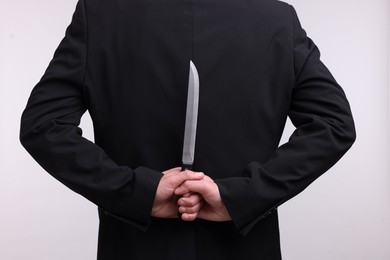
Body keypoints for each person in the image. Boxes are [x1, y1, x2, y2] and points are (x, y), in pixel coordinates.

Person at [19, 0, 356, 259]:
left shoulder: (101, 13)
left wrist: (136, 193)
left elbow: (42, 125)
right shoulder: (275, 18)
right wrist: (241, 198)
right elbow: (335, 124)